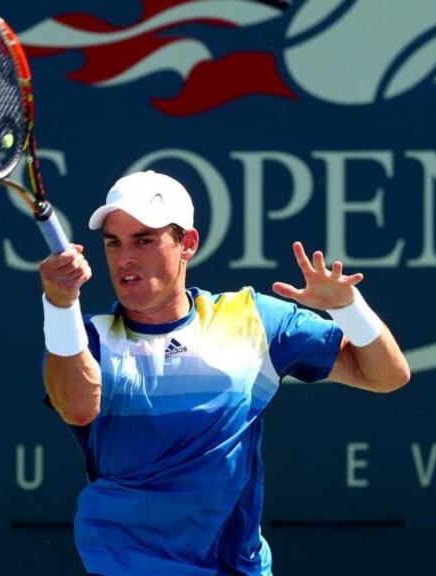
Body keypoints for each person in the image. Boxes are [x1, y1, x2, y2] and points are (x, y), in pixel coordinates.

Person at [39, 170, 410, 576]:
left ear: (188, 244)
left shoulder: (252, 319)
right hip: (127, 564)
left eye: (144, 240)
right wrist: (60, 305)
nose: (125, 258)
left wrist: (347, 307)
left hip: (236, 566)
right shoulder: (85, 339)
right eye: (113, 243)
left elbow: (387, 375)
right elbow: (76, 408)